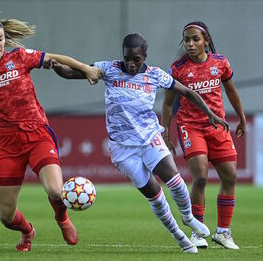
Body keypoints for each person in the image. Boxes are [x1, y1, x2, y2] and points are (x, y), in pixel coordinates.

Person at [43, 33, 229, 253]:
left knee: (174, 179)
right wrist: (57, 67)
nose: (131, 64)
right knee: (154, 195)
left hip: (149, 137)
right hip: (122, 149)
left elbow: (187, 92)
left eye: (136, 60)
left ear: (145, 57)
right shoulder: (109, 69)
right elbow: (74, 73)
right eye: (127, 59)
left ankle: (188, 218)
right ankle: (180, 237)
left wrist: (210, 114)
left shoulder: (155, 75)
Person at [0, 17, 100, 252]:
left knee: (54, 189)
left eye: (0, 39)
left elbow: (55, 57)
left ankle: (62, 219)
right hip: (7, 143)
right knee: (6, 216)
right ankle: (27, 231)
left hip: (37, 133)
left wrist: (86, 69)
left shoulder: (19, 57)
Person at [161, 21, 246, 250]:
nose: (190, 44)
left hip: (217, 125)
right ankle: (198, 230)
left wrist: (241, 117)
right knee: (200, 177)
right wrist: (166, 134)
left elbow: (231, 91)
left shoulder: (220, 63)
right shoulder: (178, 68)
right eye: (186, 39)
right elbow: (168, 104)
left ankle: (223, 232)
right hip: (191, 126)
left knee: (230, 175)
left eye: (195, 39)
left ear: (205, 41)